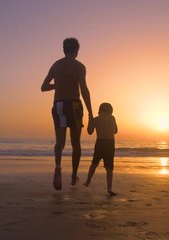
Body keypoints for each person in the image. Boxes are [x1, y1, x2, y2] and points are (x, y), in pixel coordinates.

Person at [41, 38, 93, 191]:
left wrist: (57, 85)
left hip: (59, 105)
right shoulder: (79, 66)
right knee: (75, 143)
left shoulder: (56, 65)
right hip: (74, 105)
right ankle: (73, 175)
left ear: (64, 50)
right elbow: (83, 89)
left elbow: (43, 87)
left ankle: (58, 166)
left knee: (60, 143)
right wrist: (90, 113)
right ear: (77, 50)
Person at [84, 103, 118, 196]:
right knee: (109, 167)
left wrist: (90, 120)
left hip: (100, 143)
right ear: (111, 111)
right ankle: (109, 188)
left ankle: (87, 181)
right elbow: (115, 131)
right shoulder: (112, 118)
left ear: (99, 111)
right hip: (110, 143)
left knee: (94, 163)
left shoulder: (96, 119)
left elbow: (89, 131)